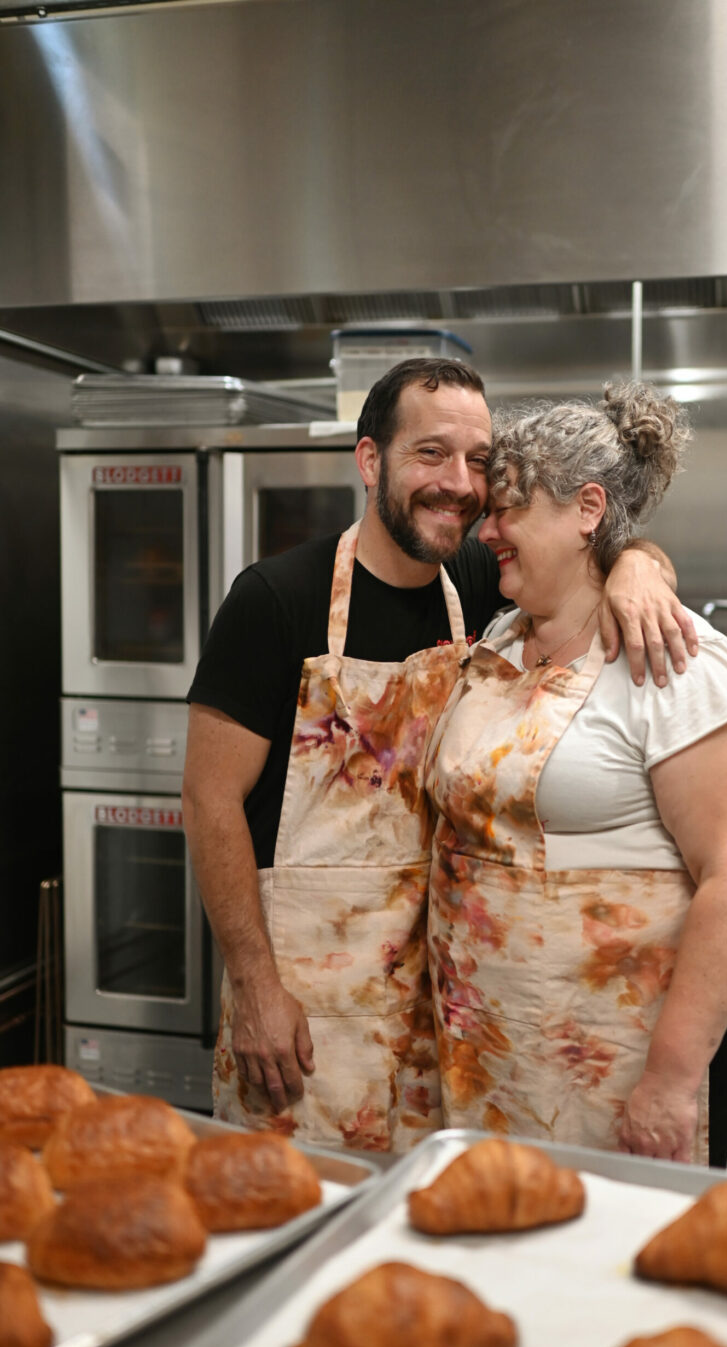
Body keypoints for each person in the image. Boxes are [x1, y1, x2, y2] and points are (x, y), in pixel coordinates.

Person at [181, 358, 696, 1154]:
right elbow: (208, 802)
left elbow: (596, 549)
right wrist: (254, 986)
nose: (459, 484)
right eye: (429, 454)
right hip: (308, 1012)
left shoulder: (487, 578)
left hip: (446, 1020)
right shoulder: (274, 599)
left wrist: (639, 567)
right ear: (369, 460)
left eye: (478, 461)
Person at [425, 381, 727, 1167]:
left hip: (615, 1074)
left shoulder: (678, 660)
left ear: (587, 510)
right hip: (485, 1057)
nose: (487, 530)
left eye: (508, 508)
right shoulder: (499, 639)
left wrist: (668, 1080)